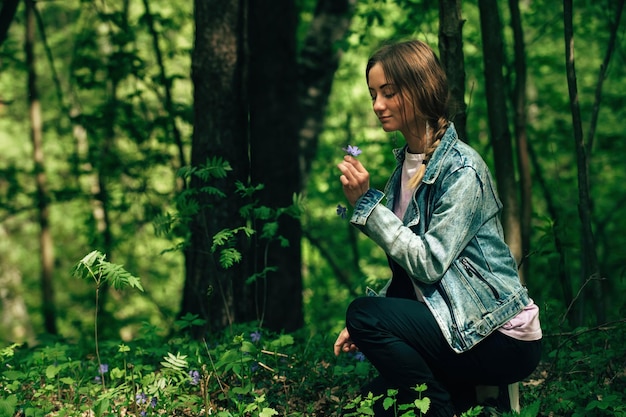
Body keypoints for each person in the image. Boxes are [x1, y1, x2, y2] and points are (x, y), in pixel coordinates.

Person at [333, 39, 542, 417]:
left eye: (389, 93)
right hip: (452, 327)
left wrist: (368, 205)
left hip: (498, 336)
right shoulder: (403, 172)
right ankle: (459, 400)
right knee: (370, 407)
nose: (378, 105)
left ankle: (443, 408)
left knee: (363, 314)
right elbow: (408, 273)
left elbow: (428, 262)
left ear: (420, 90)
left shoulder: (462, 169)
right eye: (372, 95)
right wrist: (384, 318)